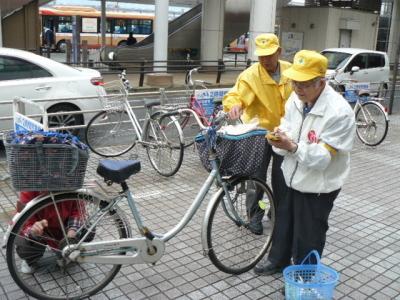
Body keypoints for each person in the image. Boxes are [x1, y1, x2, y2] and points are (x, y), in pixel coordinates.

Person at [254, 50, 356, 275]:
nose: (297, 88)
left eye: (304, 83)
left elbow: (323, 159)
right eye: (294, 82)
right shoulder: (296, 99)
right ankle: (278, 260)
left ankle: (303, 275)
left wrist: (291, 147)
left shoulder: (339, 112)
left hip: (319, 184)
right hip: (292, 175)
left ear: (321, 82)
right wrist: (281, 135)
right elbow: (288, 125)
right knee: (284, 221)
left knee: (308, 232)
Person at [223, 33, 292, 235]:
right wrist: (234, 104)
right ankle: (255, 216)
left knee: (283, 178)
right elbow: (236, 94)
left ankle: (276, 212)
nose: (265, 60)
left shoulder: (290, 70)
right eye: (261, 56)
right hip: (259, 134)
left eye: (269, 55)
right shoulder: (251, 75)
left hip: (284, 133)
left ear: (279, 52)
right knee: (256, 179)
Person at [15, 191, 93, 274]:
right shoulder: (29, 188)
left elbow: (78, 210)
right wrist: (32, 229)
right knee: (24, 240)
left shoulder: (71, 183)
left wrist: (72, 232)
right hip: (42, 230)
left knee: (87, 227)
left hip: (63, 226)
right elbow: (24, 219)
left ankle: (68, 249)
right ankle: (30, 260)